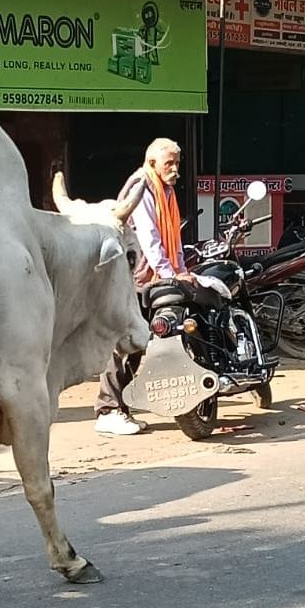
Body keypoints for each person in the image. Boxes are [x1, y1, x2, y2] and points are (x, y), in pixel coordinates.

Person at [94, 137, 195, 436]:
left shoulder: (165, 190)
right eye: (169, 164)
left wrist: (181, 270)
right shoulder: (142, 186)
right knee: (123, 343)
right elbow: (150, 238)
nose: (175, 169)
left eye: (177, 163)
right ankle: (108, 409)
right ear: (152, 163)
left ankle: (119, 405)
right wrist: (168, 273)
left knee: (139, 341)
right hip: (133, 278)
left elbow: (171, 238)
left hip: (152, 278)